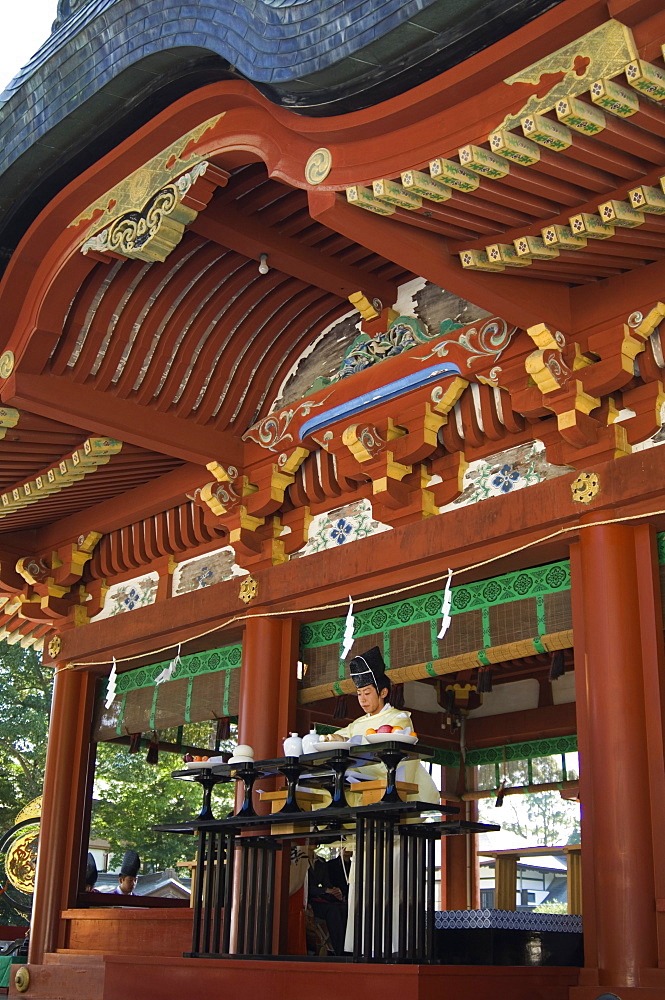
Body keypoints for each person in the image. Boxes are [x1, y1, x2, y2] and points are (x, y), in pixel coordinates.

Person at [323, 646, 440, 803]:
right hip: (356, 785)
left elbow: (388, 756)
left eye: (367, 693)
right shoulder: (357, 724)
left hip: (388, 787)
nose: (362, 699)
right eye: (359, 694)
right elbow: (339, 738)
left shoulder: (399, 719)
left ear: (383, 693)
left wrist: (347, 743)